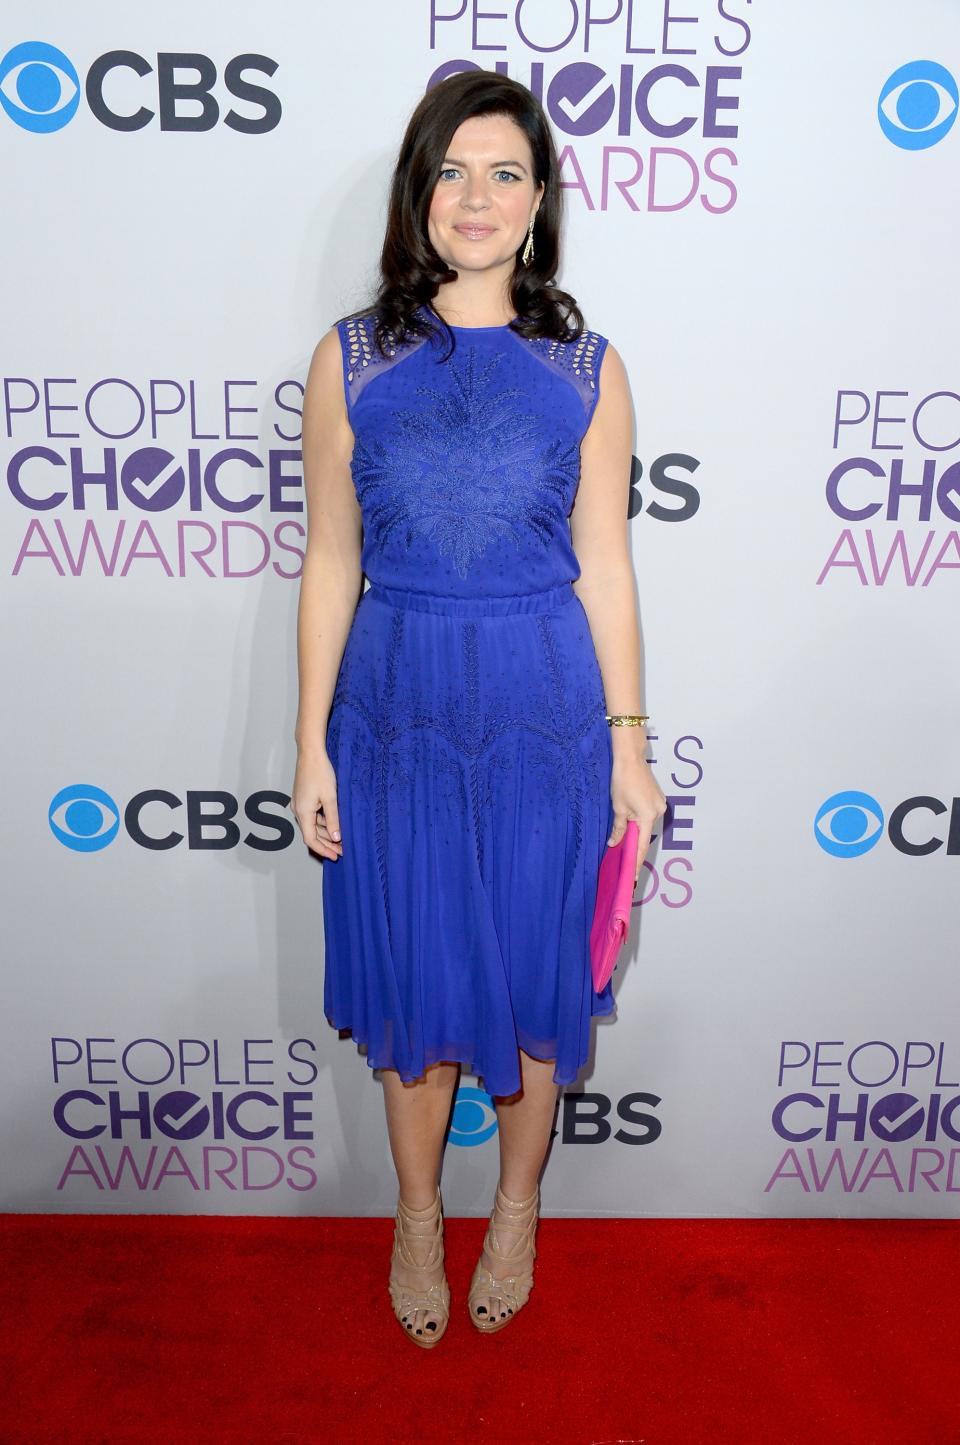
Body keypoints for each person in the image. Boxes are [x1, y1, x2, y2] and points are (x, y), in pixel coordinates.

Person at [292, 68, 666, 1349]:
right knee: (413, 986)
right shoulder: (348, 360)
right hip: (389, 717)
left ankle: (514, 1206)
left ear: (541, 197)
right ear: (418, 193)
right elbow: (331, 560)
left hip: (542, 718)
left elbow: (606, 563)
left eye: (505, 170)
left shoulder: (588, 368)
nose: (478, 195)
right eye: (452, 169)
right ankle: (413, 1214)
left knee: (531, 975)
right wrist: (306, 745)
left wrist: (631, 742)